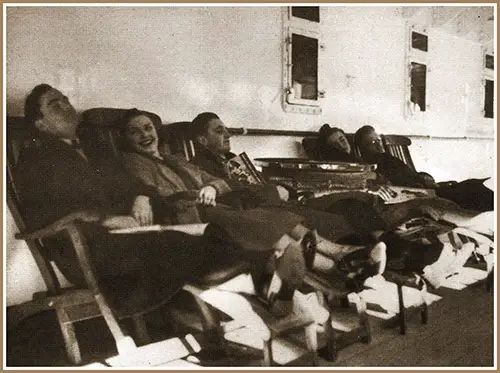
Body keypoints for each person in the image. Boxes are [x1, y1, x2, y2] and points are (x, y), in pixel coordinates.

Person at [14, 85, 311, 317]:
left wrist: (141, 196)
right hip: (88, 247)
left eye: (66, 99)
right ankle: (264, 286)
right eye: (55, 105)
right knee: (179, 243)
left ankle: (265, 288)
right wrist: (105, 218)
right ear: (39, 123)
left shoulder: (95, 151)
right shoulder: (35, 160)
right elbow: (47, 212)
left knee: (209, 234)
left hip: (130, 234)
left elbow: (131, 181)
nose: (67, 106)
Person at [119, 109, 388, 294]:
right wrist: (142, 195)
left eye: (147, 127)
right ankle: (339, 268)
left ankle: (345, 254)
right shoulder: (131, 161)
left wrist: (212, 186)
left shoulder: (176, 159)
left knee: (278, 217)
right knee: (268, 225)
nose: (144, 134)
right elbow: (141, 187)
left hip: (213, 206)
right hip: (189, 215)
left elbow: (216, 179)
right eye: (135, 132)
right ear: (127, 140)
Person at [354, 125, 494, 213]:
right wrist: (420, 184)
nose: (379, 144)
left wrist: (423, 176)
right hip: (420, 193)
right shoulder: (372, 165)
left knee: (473, 184)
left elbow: (410, 173)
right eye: (373, 142)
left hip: (425, 187)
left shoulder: (386, 157)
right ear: (363, 148)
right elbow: (396, 181)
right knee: (472, 188)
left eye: (378, 139)